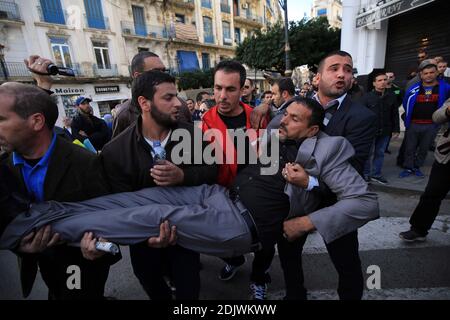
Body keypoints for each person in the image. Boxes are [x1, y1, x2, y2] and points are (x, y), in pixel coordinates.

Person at [1, 98, 379, 300]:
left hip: (240, 224)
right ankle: (43, 211)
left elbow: (364, 202)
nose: (283, 121)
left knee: (147, 217)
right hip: (218, 196)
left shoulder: (330, 148)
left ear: (313, 128)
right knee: (141, 199)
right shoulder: (273, 136)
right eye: (284, 114)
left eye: (293, 119)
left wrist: (307, 208)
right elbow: (220, 151)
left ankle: (27, 229)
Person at [250, 50, 377, 299]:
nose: (342, 74)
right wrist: (266, 107)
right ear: (317, 78)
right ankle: (295, 294)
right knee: (288, 256)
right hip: (290, 203)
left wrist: (310, 182)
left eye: (348, 69)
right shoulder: (292, 106)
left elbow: (353, 170)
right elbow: (277, 130)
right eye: (334, 68)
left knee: (347, 265)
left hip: (333, 203)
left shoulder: (362, 118)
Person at [99, 70, 217, 300]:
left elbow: (212, 172)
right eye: (168, 98)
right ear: (144, 102)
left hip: (187, 236)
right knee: (156, 290)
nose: (177, 104)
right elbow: (121, 206)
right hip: (143, 245)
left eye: (177, 96)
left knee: (189, 293)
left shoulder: (191, 134)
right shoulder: (116, 151)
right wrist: (147, 237)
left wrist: (183, 176)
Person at [0, 82, 118, 300]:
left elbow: (110, 220)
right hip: (42, 264)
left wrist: (99, 248)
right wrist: (21, 246)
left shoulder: (85, 163)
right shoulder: (4, 167)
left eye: (1, 120)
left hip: (80, 264)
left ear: (36, 121)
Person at [201, 60, 268, 284]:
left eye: (230, 89)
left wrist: (267, 105)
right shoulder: (205, 120)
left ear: (243, 89)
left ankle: (259, 278)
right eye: (218, 88)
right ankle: (234, 260)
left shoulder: (258, 116)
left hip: (257, 193)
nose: (222, 96)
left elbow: (270, 156)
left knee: (265, 241)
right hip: (222, 193)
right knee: (219, 237)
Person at [399, 98, 450, 241]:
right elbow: (436, 116)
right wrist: (447, 111)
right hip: (446, 157)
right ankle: (418, 229)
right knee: (432, 193)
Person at [399, 59, 450, 178]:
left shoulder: (446, 88)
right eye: (425, 73)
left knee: (424, 149)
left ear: (437, 73)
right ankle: (408, 168)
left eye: (431, 72)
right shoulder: (413, 89)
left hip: (432, 125)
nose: (428, 75)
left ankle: (417, 167)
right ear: (421, 75)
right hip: (413, 124)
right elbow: (406, 102)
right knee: (409, 148)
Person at [111, 51, 167, 138]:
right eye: (156, 71)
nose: (163, 76)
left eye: (163, 71)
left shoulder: (179, 105)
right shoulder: (125, 115)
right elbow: (118, 149)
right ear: (138, 76)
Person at [359, 72, 400, 184]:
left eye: (384, 80)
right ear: (374, 83)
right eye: (379, 80)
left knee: (380, 153)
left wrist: (396, 129)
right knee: (368, 154)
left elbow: (394, 114)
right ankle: (366, 174)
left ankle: (376, 174)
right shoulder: (366, 97)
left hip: (385, 130)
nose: (383, 82)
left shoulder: (391, 96)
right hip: (370, 131)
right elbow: (361, 115)